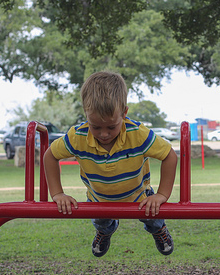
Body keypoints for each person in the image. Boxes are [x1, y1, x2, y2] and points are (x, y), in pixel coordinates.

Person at [43, 71, 178, 257]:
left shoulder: (138, 134)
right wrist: (57, 193)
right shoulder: (78, 136)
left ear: (124, 113)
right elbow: (50, 156)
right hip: (99, 198)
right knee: (102, 223)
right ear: (86, 114)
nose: (104, 134)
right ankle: (105, 232)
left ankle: (158, 230)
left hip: (138, 195)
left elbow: (169, 155)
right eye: (95, 126)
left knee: (153, 217)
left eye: (111, 126)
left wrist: (162, 194)